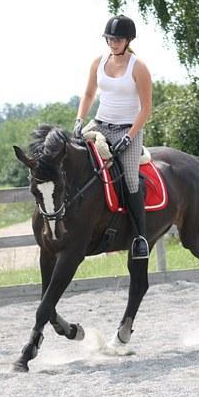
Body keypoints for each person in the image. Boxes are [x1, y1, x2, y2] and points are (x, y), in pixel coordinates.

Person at [73, 14, 153, 260]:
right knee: (73, 156)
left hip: (128, 128)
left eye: (117, 39)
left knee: (129, 178)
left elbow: (146, 108)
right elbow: (88, 94)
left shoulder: (138, 67)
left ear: (128, 40)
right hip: (99, 124)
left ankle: (140, 238)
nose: (112, 43)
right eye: (109, 38)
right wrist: (79, 120)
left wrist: (129, 137)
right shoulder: (98, 62)